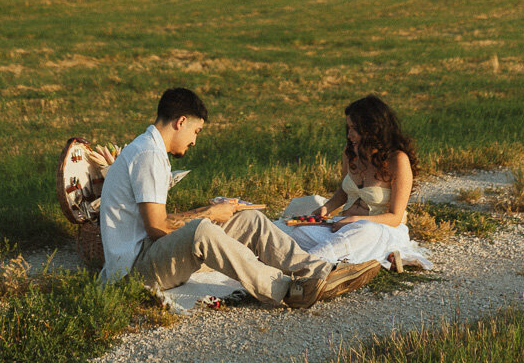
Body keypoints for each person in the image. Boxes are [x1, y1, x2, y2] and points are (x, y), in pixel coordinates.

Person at [98, 86, 380, 308]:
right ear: (180, 122)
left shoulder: (150, 150)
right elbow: (157, 227)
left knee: (249, 219)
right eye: (195, 131)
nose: (194, 140)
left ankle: (319, 272)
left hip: (150, 251)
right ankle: (287, 290)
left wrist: (214, 211)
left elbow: (158, 221)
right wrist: (209, 214)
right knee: (203, 231)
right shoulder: (148, 155)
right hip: (133, 272)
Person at [280, 94, 434, 272]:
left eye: (355, 128)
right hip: (342, 225)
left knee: (364, 230)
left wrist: (356, 220)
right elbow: (344, 191)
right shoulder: (350, 152)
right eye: (349, 127)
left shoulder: (397, 160)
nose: (349, 134)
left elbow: (395, 217)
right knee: (297, 230)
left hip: (380, 231)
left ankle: (302, 266)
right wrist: (327, 208)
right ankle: (313, 262)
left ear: (373, 129)